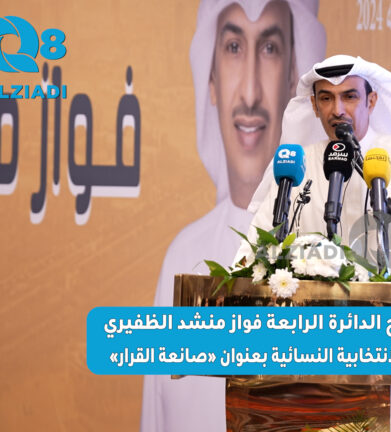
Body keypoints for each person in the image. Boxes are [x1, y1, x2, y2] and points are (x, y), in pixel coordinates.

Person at [239, 54, 391, 431]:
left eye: (349, 96)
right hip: (309, 358)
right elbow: (254, 249)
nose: (338, 109)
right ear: (314, 106)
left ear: (371, 101)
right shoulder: (299, 165)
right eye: (326, 98)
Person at [141, 1, 325, 431]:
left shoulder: (334, 252)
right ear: (211, 80)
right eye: (233, 47)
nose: (249, 94)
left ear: (295, 78)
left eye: (270, 49)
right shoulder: (183, 257)